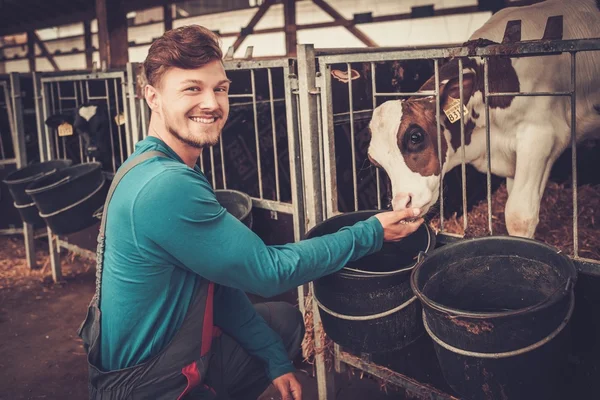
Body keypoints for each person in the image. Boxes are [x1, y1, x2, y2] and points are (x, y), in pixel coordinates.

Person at [77, 25, 424, 400]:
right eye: (192, 88)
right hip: (150, 386)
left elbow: (215, 283)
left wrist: (276, 362)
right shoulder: (165, 186)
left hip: (158, 359)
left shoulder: (150, 162)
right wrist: (370, 232)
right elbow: (268, 272)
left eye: (220, 88)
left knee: (283, 323)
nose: (211, 103)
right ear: (152, 96)